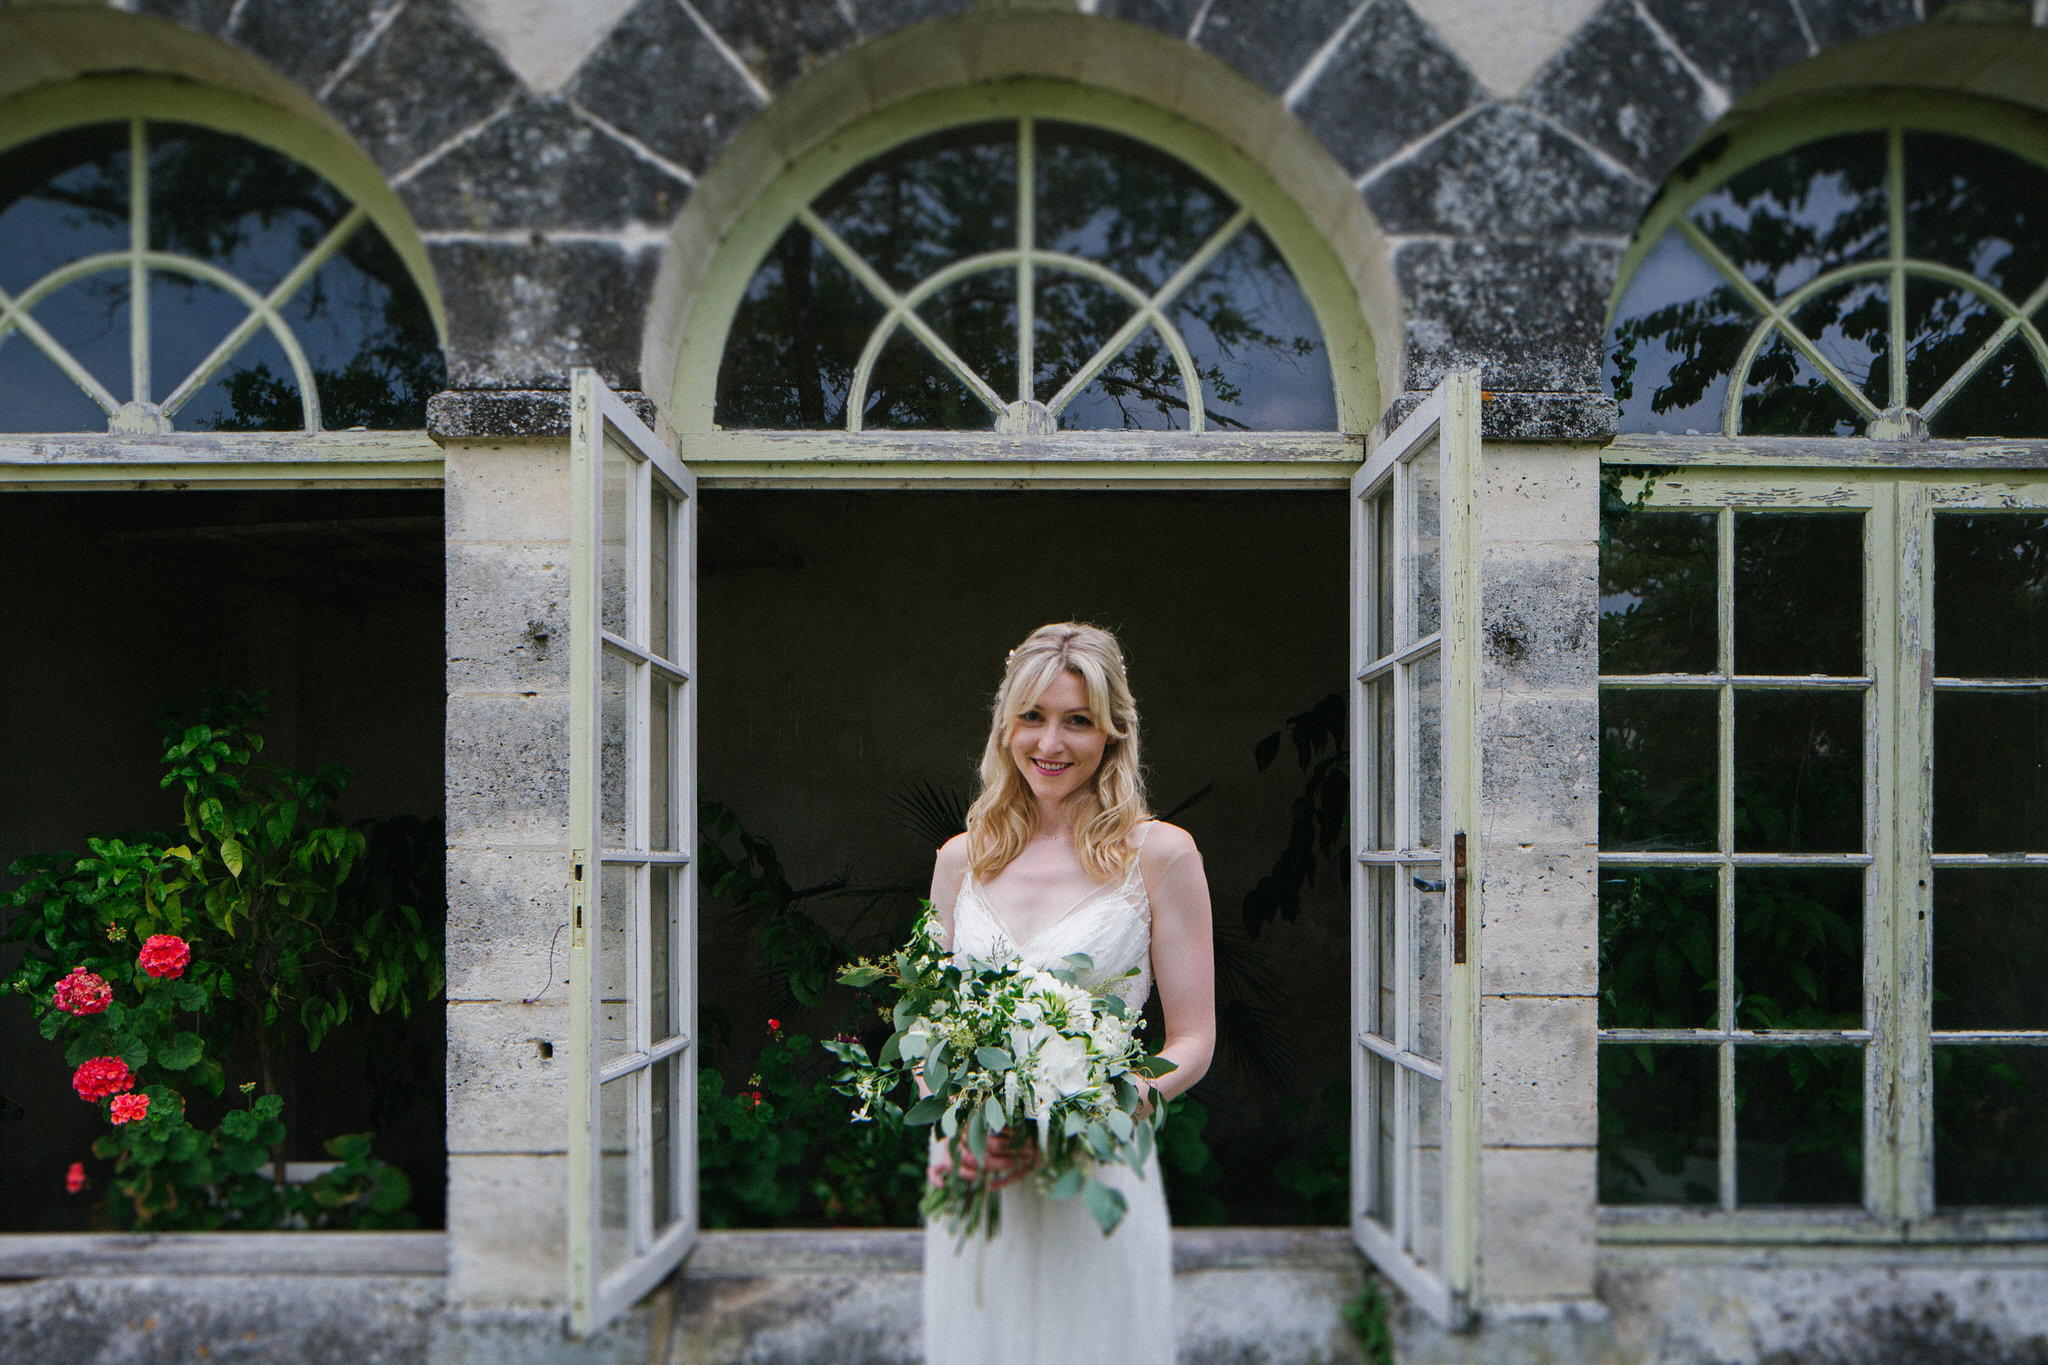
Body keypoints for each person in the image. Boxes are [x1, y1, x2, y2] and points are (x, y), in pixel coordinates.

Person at [922, 622, 1217, 1364]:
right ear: (1006, 725)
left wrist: (1094, 1108)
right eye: (1033, 716)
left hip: (1096, 1168)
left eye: (1078, 720)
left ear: (1112, 733)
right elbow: (932, 1029)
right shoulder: (959, 862)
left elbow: (1193, 1040)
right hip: (981, 1173)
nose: (1050, 742)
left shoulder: (1162, 856)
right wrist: (961, 1122)